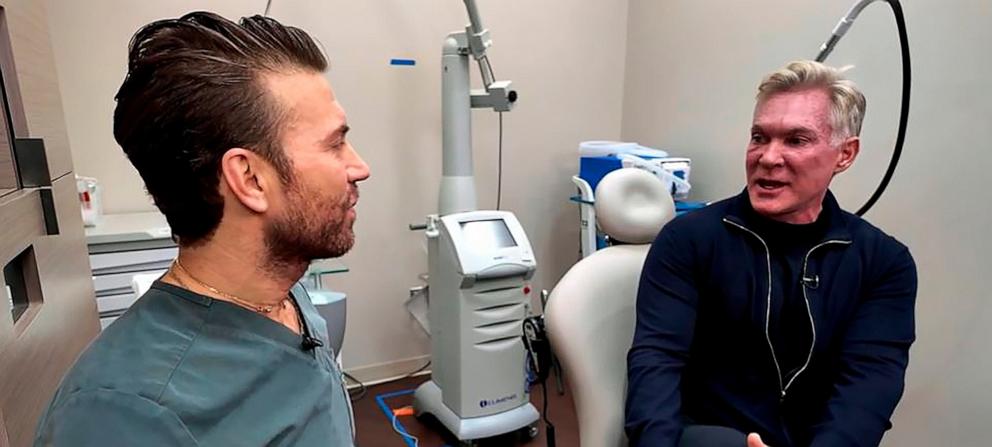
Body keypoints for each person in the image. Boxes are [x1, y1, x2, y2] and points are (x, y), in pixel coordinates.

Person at [34, 11, 370, 446]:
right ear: (249, 179)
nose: (359, 167)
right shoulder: (122, 413)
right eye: (335, 143)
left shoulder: (284, 295)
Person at [625, 61, 917, 447]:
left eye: (796, 140)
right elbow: (656, 362)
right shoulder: (689, 240)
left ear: (845, 154)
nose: (768, 157)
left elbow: (868, 385)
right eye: (759, 137)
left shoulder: (883, 263)